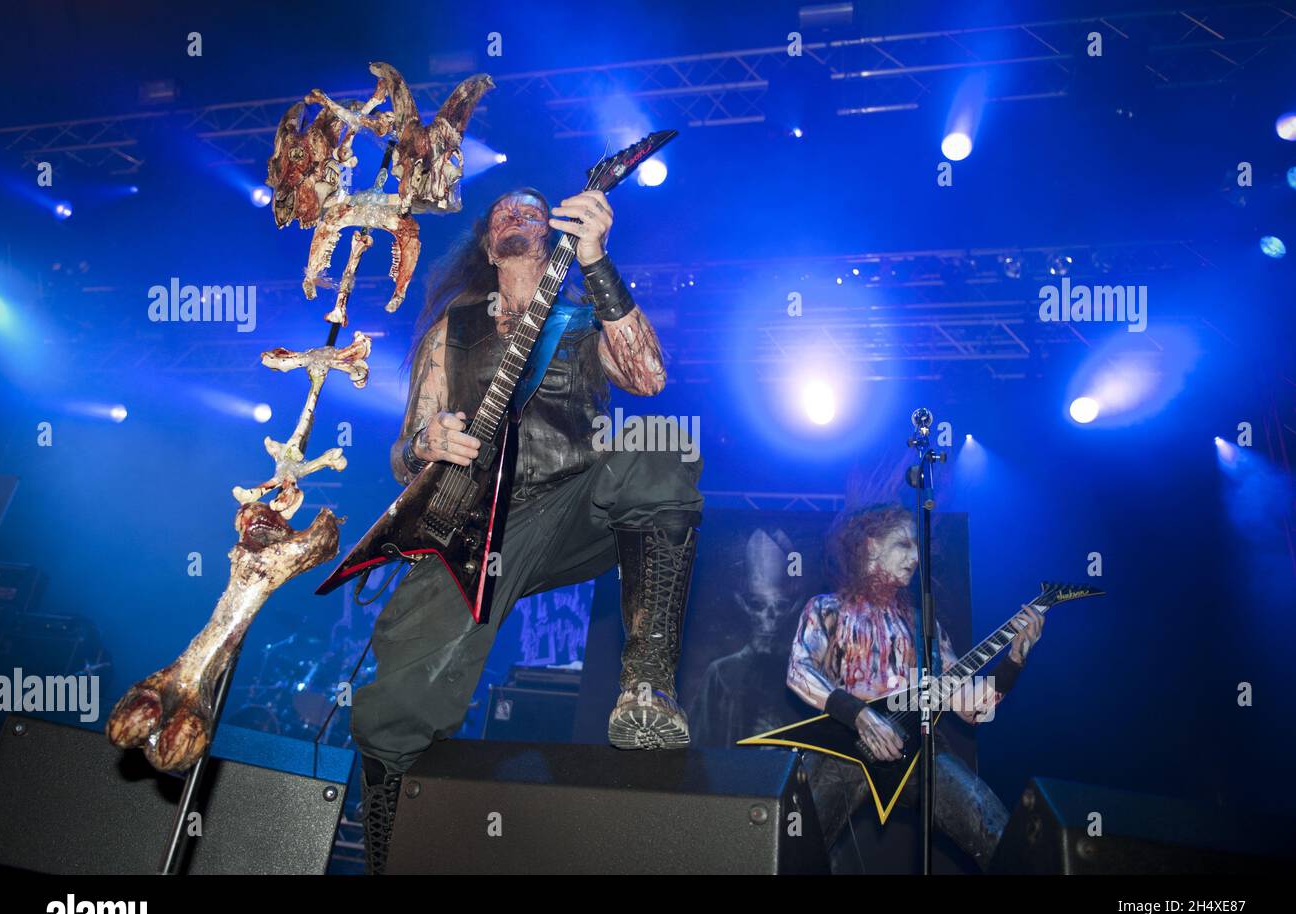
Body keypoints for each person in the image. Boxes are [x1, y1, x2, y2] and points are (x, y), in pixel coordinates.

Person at [351, 186, 703, 873]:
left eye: (532, 209)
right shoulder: (451, 330)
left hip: (573, 502)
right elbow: (401, 458)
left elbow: (652, 378)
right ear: (487, 243)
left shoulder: (580, 319)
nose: (514, 215)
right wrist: (426, 442)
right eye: (501, 212)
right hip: (475, 530)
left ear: (555, 233)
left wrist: (599, 261)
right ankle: (389, 855)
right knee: (388, 713)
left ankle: (646, 684)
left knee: (663, 447)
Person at [786, 503, 1044, 872]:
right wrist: (858, 715)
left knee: (998, 833)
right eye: (903, 545)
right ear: (872, 546)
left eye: (918, 548)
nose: (915, 557)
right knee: (791, 845)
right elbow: (798, 669)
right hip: (843, 747)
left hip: (921, 751)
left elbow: (971, 708)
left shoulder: (926, 628)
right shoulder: (827, 608)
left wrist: (1014, 659)